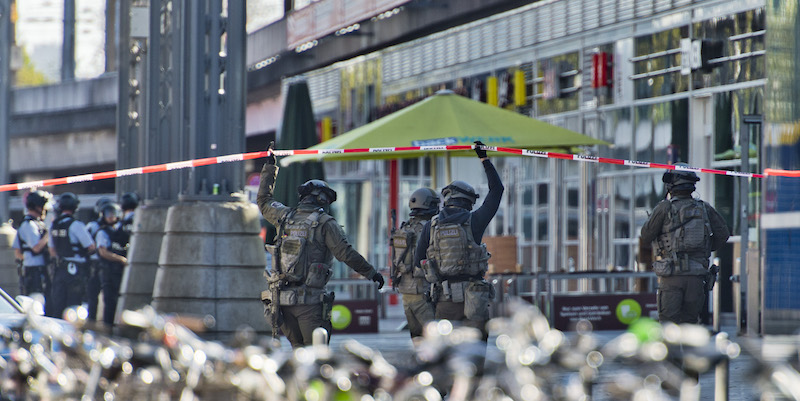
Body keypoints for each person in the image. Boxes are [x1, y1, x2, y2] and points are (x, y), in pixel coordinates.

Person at [257, 142, 384, 348]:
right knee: (316, 356)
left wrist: (270, 167)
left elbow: (263, 200)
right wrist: (371, 273)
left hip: (283, 302)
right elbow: (346, 254)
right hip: (310, 304)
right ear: (322, 200)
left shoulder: (284, 216)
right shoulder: (325, 224)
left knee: (299, 355)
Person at [414, 141, 504, 341]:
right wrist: (484, 158)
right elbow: (497, 190)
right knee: (476, 353)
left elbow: (418, 261)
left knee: (447, 354)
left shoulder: (431, 226)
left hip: (444, 301)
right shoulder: (475, 221)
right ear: (469, 201)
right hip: (475, 299)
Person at [640, 164, 730, 324]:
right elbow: (723, 234)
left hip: (671, 276)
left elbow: (646, 235)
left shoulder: (664, 208)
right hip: (696, 277)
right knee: (690, 325)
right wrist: (704, 248)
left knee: (668, 326)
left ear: (671, 185)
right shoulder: (704, 208)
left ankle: (671, 350)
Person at [391, 187, 439, 343]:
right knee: (434, 342)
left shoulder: (404, 227)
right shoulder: (429, 228)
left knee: (417, 340)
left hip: (406, 293)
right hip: (423, 291)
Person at [48, 192, 96, 319]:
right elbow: (91, 246)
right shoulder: (76, 225)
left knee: (58, 305)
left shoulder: (54, 225)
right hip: (74, 271)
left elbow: (52, 250)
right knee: (73, 306)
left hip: (59, 269)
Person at [12, 190, 52, 297]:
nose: (45, 209)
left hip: (41, 269)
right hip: (34, 272)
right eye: (43, 206)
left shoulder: (38, 224)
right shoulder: (28, 225)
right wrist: (48, 234)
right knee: (37, 301)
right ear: (37, 206)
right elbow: (35, 248)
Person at [95, 202, 128, 327]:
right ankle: (108, 328)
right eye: (108, 214)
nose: (111, 217)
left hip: (119, 271)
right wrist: (121, 259)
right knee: (109, 301)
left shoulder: (121, 231)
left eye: (113, 214)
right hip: (108, 271)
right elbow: (103, 252)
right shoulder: (102, 232)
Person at [85, 197, 113, 322]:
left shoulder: (108, 227)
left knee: (105, 297)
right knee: (93, 297)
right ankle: (92, 322)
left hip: (104, 263)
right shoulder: (93, 226)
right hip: (96, 263)